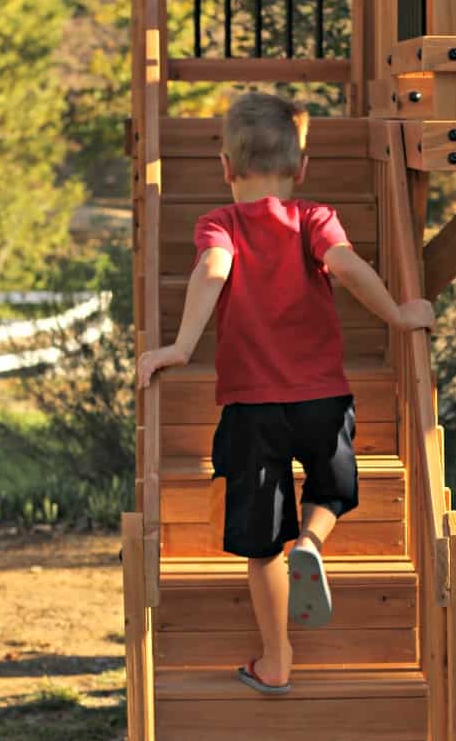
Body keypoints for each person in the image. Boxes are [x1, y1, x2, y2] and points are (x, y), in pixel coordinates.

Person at [137, 92, 434, 695]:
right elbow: (347, 267)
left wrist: (180, 346)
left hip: (250, 408)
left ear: (226, 167)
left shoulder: (218, 224)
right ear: (301, 169)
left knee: (259, 543)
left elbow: (212, 271)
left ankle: (276, 659)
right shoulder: (314, 218)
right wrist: (401, 316)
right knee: (332, 490)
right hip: (322, 398)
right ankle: (313, 540)